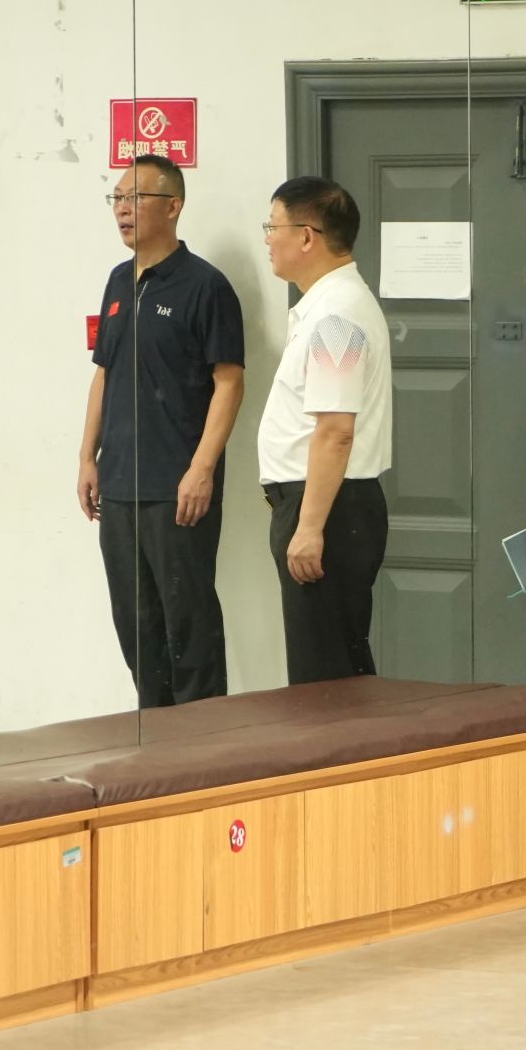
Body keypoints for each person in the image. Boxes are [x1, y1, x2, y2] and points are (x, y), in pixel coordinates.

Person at [78, 154, 245, 706]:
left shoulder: (206, 286)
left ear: (172, 207)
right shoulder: (117, 281)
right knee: (137, 627)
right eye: (117, 199)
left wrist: (202, 469)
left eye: (135, 198)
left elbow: (229, 382)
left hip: (178, 489)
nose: (122, 210)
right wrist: (87, 457)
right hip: (119, 486)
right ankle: (156, 741)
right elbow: (104, 373)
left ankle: (205, 744)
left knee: (188, 627)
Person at [258, 176, 395, 685]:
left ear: (306, 237)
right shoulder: (329, 306)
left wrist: (310, 527)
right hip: (324, 503)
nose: (267, 239)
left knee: (325, 678)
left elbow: (337, 430)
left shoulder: (337, 316)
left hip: (327, 508)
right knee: (334, 669)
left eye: (273, 227)